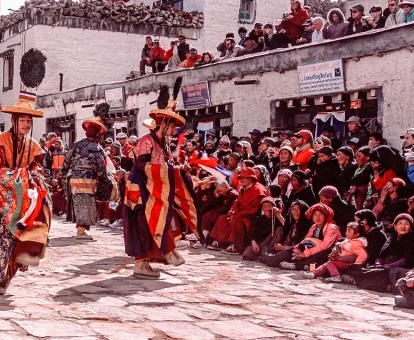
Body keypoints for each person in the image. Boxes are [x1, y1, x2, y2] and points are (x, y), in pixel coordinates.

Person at [0, 49, 52, 294]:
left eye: (29, 121)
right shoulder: (0, 143)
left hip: (23, 200)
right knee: (2, 242)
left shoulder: (32, 146)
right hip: (1, 199)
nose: (26, 124)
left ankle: (19, 264)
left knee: (32, 225)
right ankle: (2, 279)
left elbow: (37, 169)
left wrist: (37, 177)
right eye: (22, 120)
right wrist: (20, 178)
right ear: (14, 120)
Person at [122, 78, 195, 279]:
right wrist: (167, 170)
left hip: (154, 189)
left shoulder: (163, 146)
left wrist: (179, 169)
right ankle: (141, 263)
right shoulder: (146, 142)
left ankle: (161, 253)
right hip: (140, 189)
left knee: (158, 221)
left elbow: (166, 167)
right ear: (164, 125)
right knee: (141, 225)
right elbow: (141, 165)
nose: (174, 132)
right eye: (172, 128)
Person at [61, 104, 113, 242]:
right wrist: (105, 180)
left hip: (73, 179)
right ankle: (81, 231)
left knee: (78, 203)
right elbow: (101, 167)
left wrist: (64, 175)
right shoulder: (97, 148)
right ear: (97, 135)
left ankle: (80, 229)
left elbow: (66, 160)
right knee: (87, 204)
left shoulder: (76, 145)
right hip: (88, 180)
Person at [208, 167, 267, 254]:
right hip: (238, 214)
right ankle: (220, 243)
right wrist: (232, 212)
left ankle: (236, 246)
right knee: (223, 218)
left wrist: (236, 215)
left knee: (236, 221)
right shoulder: (243, 188)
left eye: (243, 177)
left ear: (250, 178)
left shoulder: (259, 191)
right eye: (240, 177)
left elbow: (253, 210)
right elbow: (236, 203)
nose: (241, 179)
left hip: (249, 218)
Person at [279, 203, 342, 271]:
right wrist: (297, 248)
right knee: (301, 249)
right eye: (315, 215)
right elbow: (305, 240)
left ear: (325, 216)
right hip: (316, 250)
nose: (317, 217)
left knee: (318, 254)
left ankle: (303, 267)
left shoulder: (332, 228)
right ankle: (305, 266)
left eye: (320, 214)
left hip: (332, 254)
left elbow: (324, 246)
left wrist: (305, 254)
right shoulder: (314, 227)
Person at [303, 221, 368, 281]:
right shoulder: (348, 240)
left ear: (356, 235)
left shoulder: (355, 244)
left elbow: (363, 255)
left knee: (329, 263)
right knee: (326, 264)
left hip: (347, 264)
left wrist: (356, 265)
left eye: (349, 231)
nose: (346, 233)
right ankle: (313, 273)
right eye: (346, 230)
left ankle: (336, 276)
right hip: (341, 261)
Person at [261, 200, 313, 268]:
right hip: (287, 250)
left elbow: (301, 245)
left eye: (298, 209)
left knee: (279, 257)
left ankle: (266, 259)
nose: (295, 212)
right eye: (293, 209)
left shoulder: (307, 226)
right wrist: (281, 246)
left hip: (296, 253)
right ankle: (266, 258)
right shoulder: (293, 224)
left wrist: (284, 247)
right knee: (266, 248)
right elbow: (286, 230)